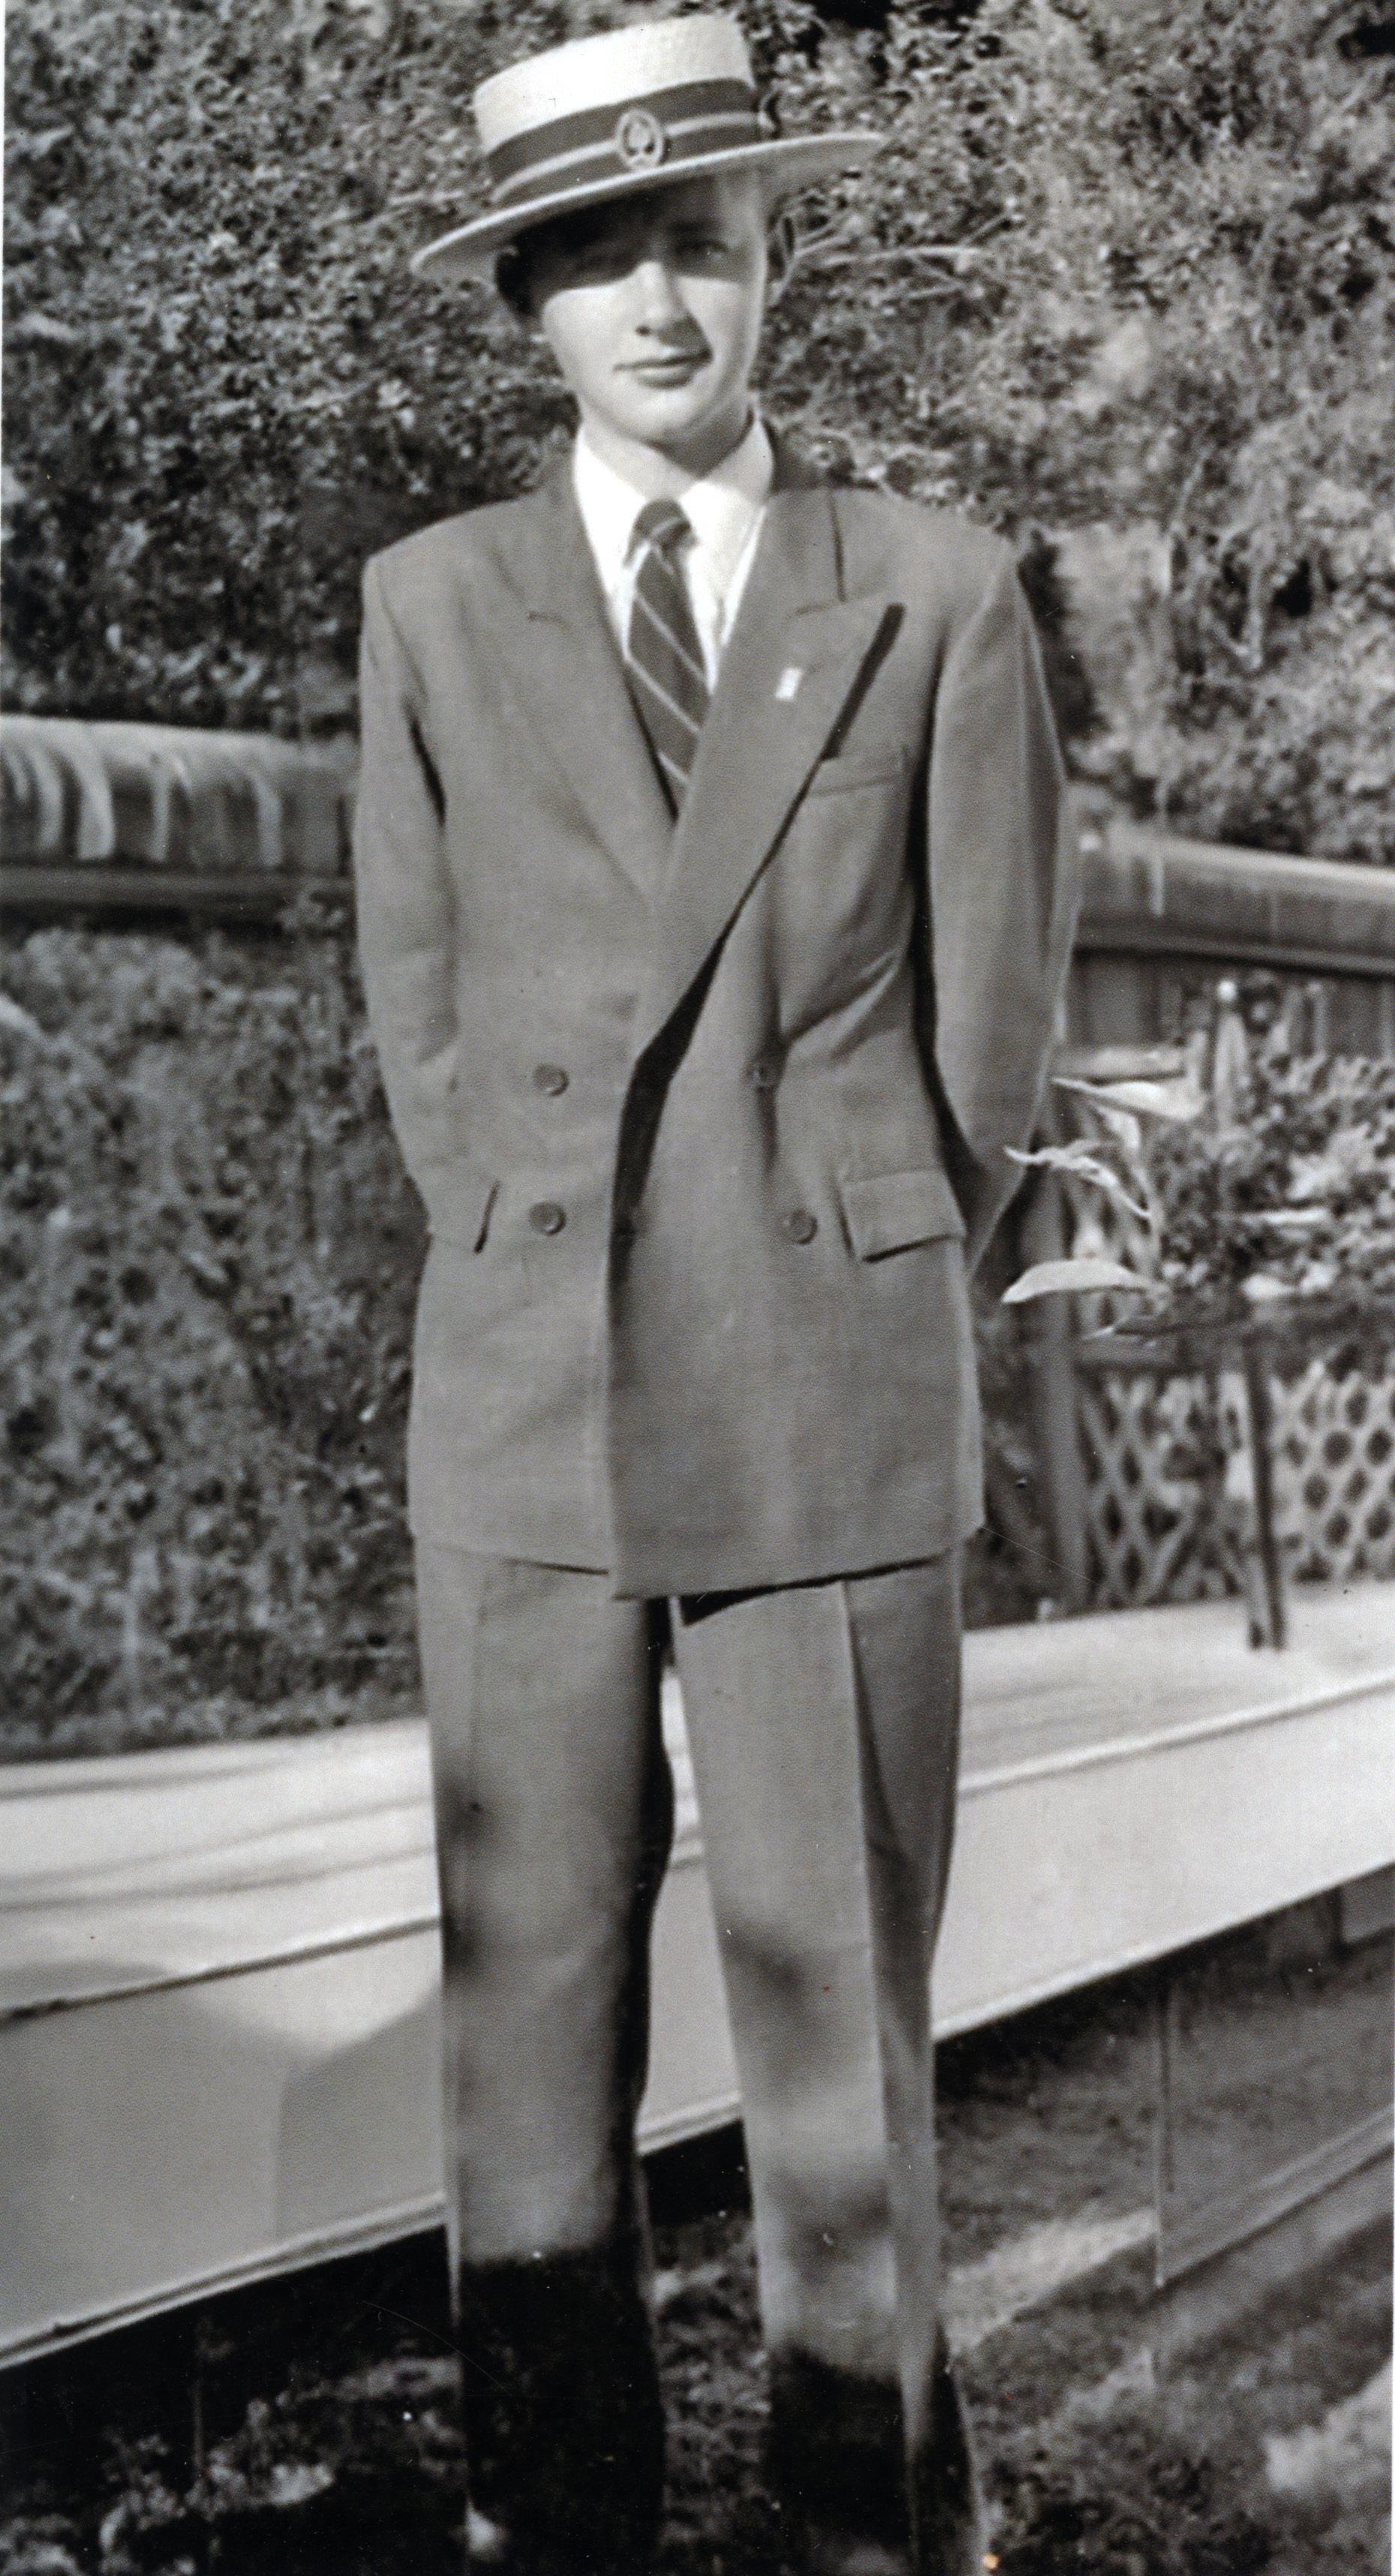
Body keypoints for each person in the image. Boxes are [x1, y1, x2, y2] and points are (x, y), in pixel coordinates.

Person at [353, 15, 1078, 2571]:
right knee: (527, 2012)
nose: (657, 303)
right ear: (526, 306)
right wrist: (530, 1241)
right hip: (528, 1392)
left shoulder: (932, 591)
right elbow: (420, 1014)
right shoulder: (431, 606)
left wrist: (857, 1245)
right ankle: (552, 2525)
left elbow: (988, 1033)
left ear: (774, 267)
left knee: (831, 2023)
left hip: (822, 1379)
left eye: (702, 244)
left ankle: (867, 2521)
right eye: (595, 260)